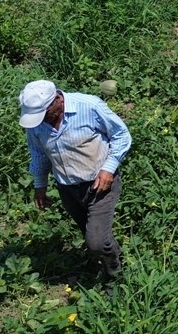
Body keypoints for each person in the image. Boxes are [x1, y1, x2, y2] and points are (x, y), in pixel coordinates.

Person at [18, 80, 132, 284]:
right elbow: (38, 154)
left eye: (43, 113)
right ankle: (103, 258)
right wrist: (40, 185)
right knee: (90, 234)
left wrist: (108, 169)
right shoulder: (36, 124)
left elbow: (121, 135)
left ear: (57, 101)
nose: (40, 120)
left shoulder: (89, 106)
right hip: (67, 188)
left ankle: (115, 275)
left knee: (96, 241)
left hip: (100, 184)